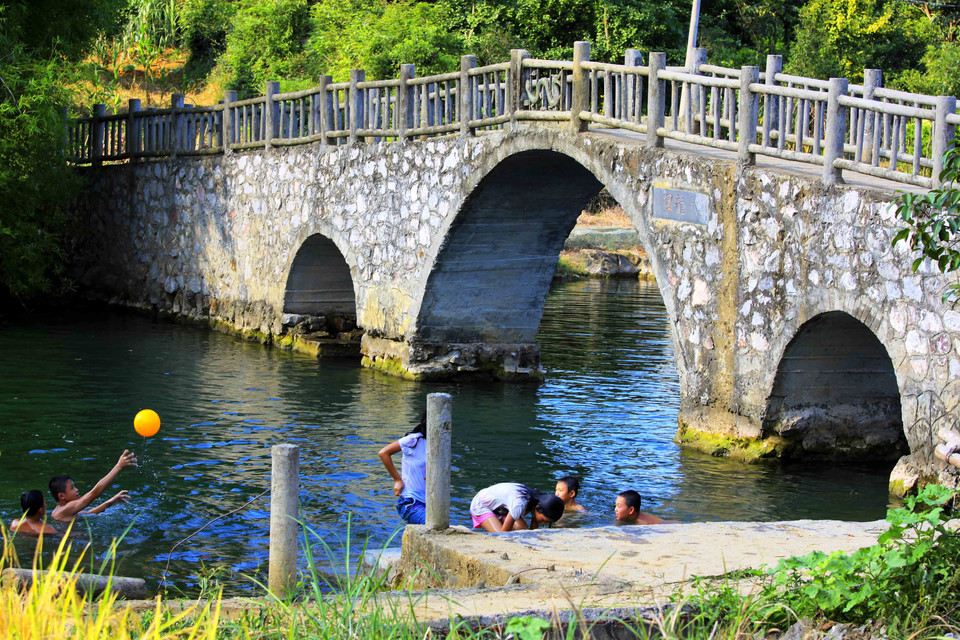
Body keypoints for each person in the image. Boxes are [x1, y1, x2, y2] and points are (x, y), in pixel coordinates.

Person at [49, 450, 137, 522]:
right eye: (72, 488)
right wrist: (118, 467)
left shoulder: (61, 510)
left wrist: (110, 502)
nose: (76, 489)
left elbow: (89, 513)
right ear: (61, 496)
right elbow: (94, 494)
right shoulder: (64, 510)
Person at [378, 413, 427, 525]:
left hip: (430, 503)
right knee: (429, 523)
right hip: (411, 502)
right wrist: (397, 480)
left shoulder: (441, 444)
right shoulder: (414, 440)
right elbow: (383, 453)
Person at [470, 483, 565, 532]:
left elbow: (532, 533)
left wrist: (534, 520)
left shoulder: (537, 500)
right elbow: (503, 536)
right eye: (544, 520)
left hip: (501, 508)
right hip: (481, 505)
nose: (543, 523)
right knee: (498, 534)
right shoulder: (519, 505)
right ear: (538, 508)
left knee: (523, 530)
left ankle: (499, 520)